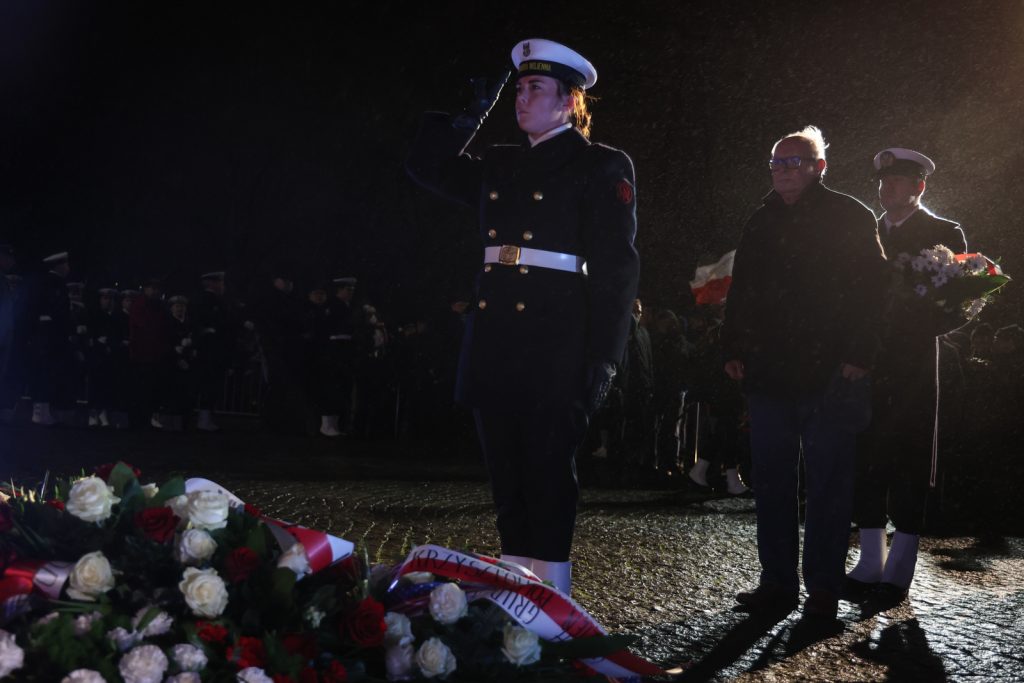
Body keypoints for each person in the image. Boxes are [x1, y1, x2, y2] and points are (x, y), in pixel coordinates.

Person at [406, 38, 640, 593]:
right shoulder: (501, 162)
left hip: (556, 339)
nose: (521, 97)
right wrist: (469, 114)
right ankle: (515, 589)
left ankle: (552, 592)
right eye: (517, 88)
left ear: (569, 101)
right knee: (506, 475)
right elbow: (425, 166)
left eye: (536, 87)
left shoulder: (600, 164)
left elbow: (616, 267)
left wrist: (605, 357)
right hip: (495, 338)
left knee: (548, 470)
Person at [721, 126, 886, 620]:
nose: (783, 171)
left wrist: (860, 353)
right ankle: (777, 584)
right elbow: (742, 288)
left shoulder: (850, 216)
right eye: (776, 163)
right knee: (771, 484)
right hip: (770, 372)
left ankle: (823, 590)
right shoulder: (760, 220)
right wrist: (732, 346)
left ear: (819, 167)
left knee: (828, 487)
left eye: (794, 162)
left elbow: (873, 291)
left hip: (829, 372)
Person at [846, 148, 968, 603]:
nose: (886, 188)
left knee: (910, 457)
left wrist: (914, 327)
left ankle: (901, 565)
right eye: (883, 181)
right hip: (865, 362)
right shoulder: (868, 230)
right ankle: (870, 560)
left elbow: (959, 304)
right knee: (867, 457)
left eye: (896, 181)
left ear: (919, 187)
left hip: (913, 364)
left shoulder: (943, 232)